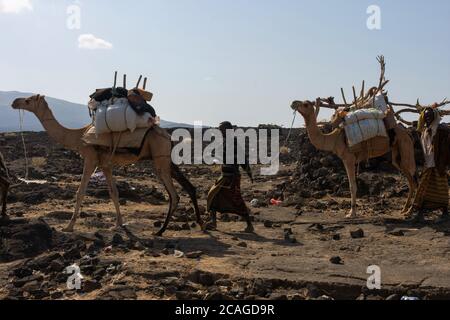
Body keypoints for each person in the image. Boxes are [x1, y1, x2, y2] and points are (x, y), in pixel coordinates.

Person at [206, 121, 254, 233]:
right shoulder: (226, 142)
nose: (220, 131)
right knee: (213, 196)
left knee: (236, 200)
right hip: (225, 176)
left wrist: (249, 173)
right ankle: (213, 223)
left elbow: (243, 160)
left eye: (221, 129)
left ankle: (249, 225)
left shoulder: (233, 142)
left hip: (231, 177)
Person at [408, 106, 450, 223]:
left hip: (438, 166)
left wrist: (442, 164)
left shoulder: (441, 130)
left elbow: (445, 149)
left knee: (440, 190)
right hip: (428, 166)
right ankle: (420, 213)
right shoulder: (425, 131)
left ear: (434, 117)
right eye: (425, 116)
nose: (427, 118)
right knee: (423, 190)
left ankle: (444, 213)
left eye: (429, 116)